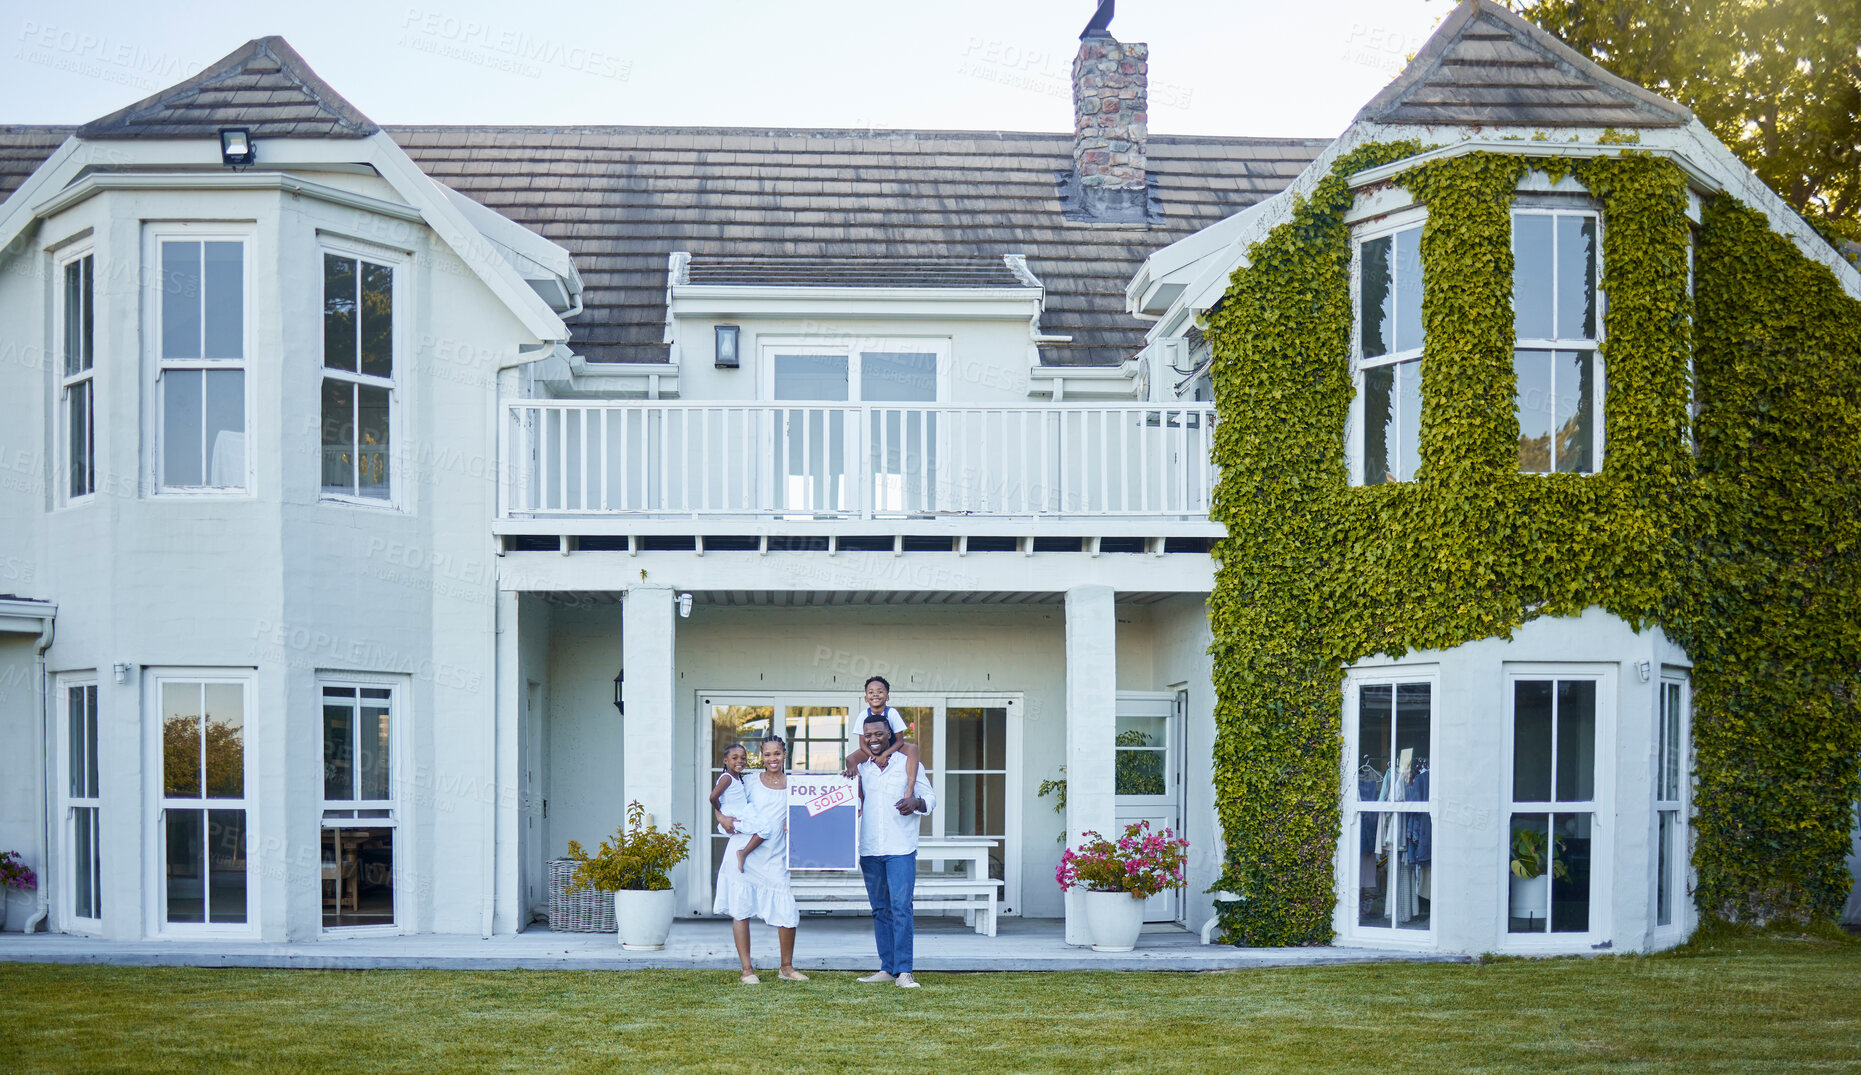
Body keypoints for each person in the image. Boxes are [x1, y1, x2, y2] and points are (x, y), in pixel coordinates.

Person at [853, 712, 936, 989]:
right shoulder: (862, 767)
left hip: (900, 847)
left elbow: (931, 798)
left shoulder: (908, 763)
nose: (874, 739)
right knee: (880, 910)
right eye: (869, 736)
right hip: (870, 849)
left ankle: (904, 972)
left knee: (901, 908)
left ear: (889, 735)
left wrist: (916, 802)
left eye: (878, 734)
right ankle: (886, 968)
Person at [714, 735, 806, 984]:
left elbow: (808, 808)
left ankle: (786, 967)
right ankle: (747, 970)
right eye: (767, 754)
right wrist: (721, 817)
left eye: (777, 753)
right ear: (761, 757)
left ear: (785, 755)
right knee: (741, 910)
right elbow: (725, 800)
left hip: (776, 854)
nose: (772, 758)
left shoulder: (795, 783)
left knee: (786, 909)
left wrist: (794, 819)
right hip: (743, 851)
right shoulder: (750, 781)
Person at [842, 675, 920, 794]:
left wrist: (885, 754)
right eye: (871, 692)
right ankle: (858, 796)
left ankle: (910, 788)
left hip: (892, 745)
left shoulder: (892, 713)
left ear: (887, 697)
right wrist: (875, 757)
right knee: (850, 759)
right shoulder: (863, 715)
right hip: (871, 748)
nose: (875, 695)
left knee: (913, 749)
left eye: (880, 692)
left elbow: (899, 741)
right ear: (866, 698)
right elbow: (862, 744)